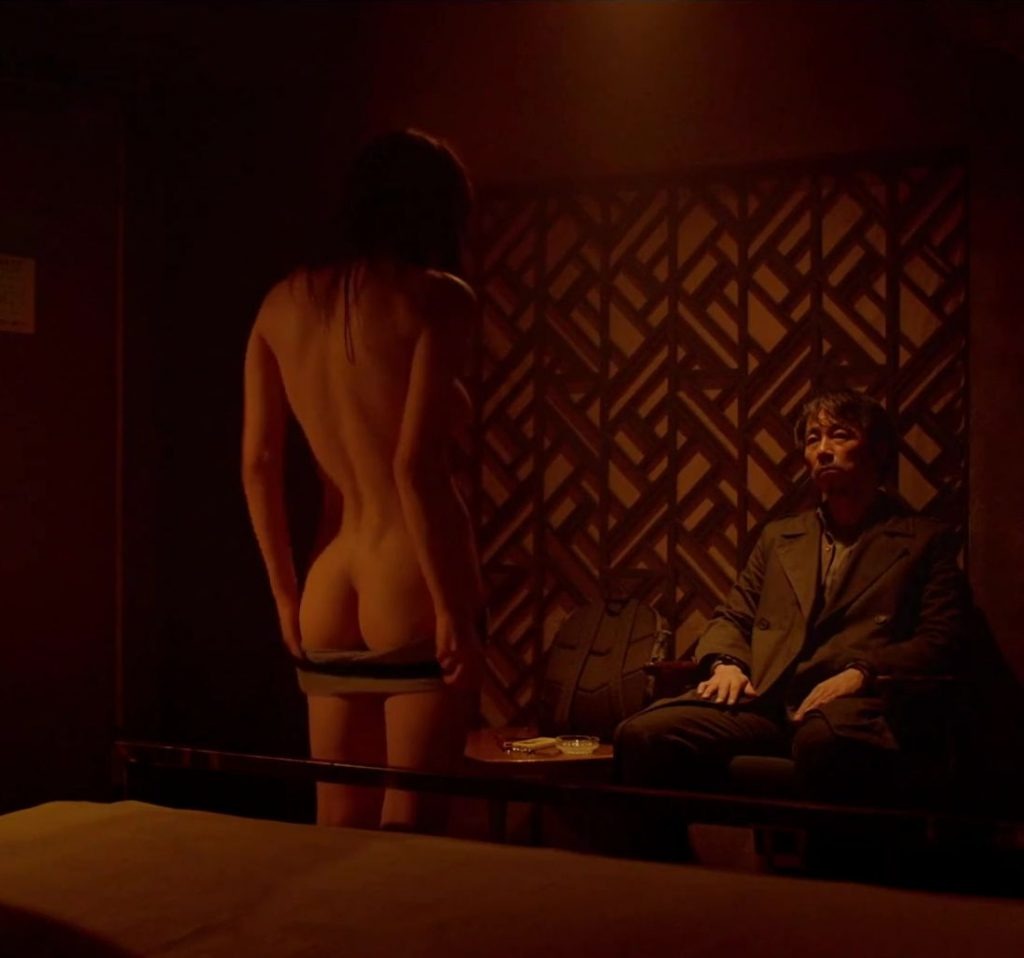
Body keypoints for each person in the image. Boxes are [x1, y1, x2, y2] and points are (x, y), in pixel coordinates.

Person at [241, 129, 484, 833]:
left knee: (336, 827)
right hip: (410, 579)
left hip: (329, 579)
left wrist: (285, 596)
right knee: (413, 830)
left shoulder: (281, 304)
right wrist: (452, 610)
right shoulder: (436, 298)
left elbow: (258, 464)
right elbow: (414, 467)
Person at [615, 388, 970, 809]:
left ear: (876, 450)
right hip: (766, 701)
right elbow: (733, 616)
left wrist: (863, 672)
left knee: (826, 743)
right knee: (641, 735)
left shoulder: (923, 540)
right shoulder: (781, 537)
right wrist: (726, 663)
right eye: (813, 439)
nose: (823, 450)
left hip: (850, 706)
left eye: (840, 435)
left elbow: (941, 640)